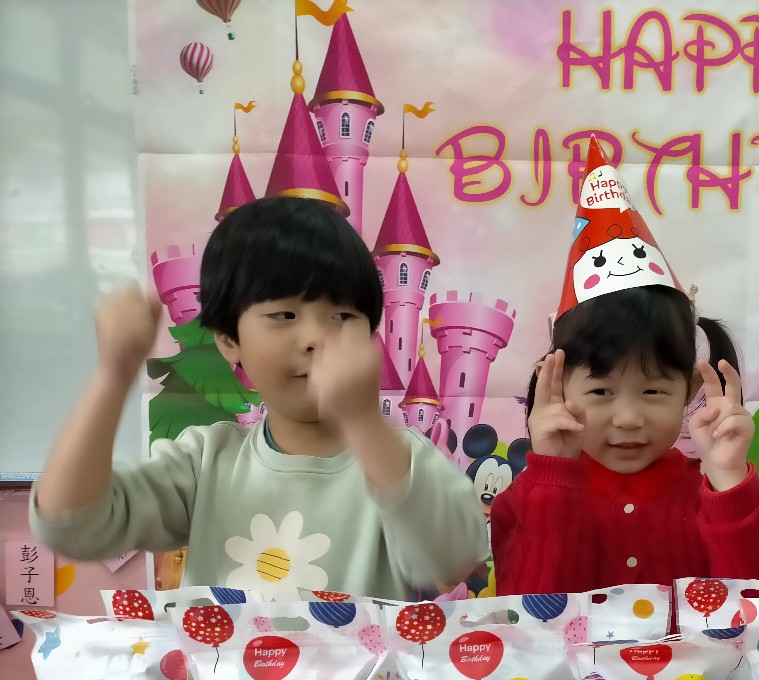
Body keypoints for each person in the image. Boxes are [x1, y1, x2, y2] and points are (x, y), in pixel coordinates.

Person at [30, 195, 488, 602]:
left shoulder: (403, 459)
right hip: (221, 678)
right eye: (284, 314)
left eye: (344, 315)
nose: (315, 337)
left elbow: (451, 558)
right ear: (229, 339)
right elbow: (71, 524)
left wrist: (365, 424)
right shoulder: (205, 461)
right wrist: (113, 376)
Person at [490, 139, 759, 595]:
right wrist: (553, 478)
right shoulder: (526, 499)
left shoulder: (718, 492)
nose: (629, 418)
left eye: (653, 391)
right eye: (601, 391)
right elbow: (528, 619)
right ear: (557, 386)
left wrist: (729, 481)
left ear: (688, 388)